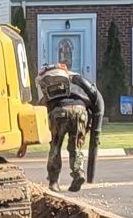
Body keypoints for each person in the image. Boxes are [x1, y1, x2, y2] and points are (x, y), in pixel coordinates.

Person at [38, 60, 102, 192]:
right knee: (75, 147)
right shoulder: (77, 83)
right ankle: (78, 173)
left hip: (59, 111)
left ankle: (54, 182)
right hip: (80, 111)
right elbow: (93, 103)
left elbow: (42, 106)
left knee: (55, 146)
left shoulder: (50, 88)